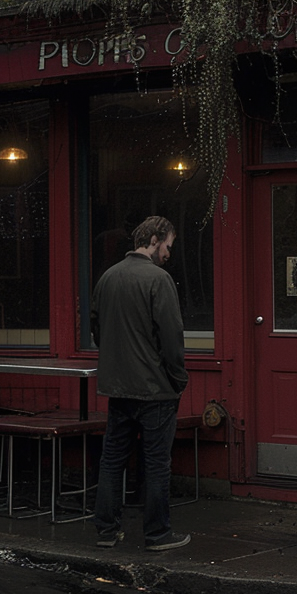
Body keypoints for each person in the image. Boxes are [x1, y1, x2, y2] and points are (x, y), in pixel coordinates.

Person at [91, 215, 190, 551]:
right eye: (168, 246)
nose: (168, 253)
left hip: (117, 388)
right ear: (154, 238)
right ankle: (157, 535)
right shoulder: (158, 280)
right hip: (154, 390)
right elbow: (172, 338)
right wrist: (178, 380)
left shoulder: (107, 278)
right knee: (157, 464)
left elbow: (96, 329)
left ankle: (106, 531)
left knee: (112, 461)